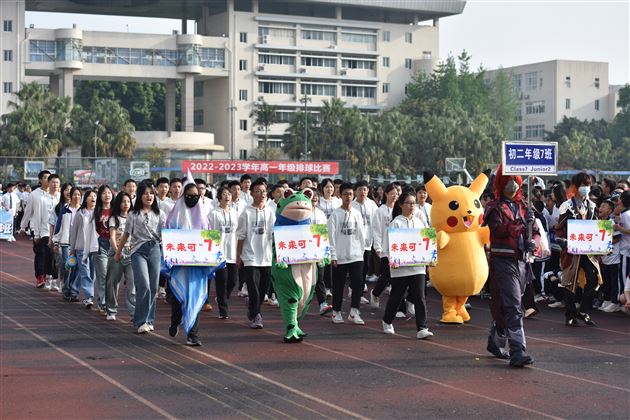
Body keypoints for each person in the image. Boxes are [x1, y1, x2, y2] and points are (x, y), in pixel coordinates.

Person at [484, 165, 538, 367]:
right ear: (500, 182)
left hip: (522, 261)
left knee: (508, 305)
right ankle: (518, 350)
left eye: (515, 179)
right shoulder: (494, 207)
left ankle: (496, 339)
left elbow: (533, 232)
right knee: (514, 305)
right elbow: (497, 230)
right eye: (507, 180)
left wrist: (533, 238)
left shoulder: (524, 205)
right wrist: (521, 226)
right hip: (502, 261)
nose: (512, 184)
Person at [165, 180, 218, 346]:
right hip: (179, 267)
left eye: (196, 196)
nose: (192, 198)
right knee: (178, 299)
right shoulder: (174, 216)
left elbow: (211, 238)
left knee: (194, 299)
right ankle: (175, 322)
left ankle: (193, 335)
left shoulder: (203, 217)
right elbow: (168, 238)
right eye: (189, 195)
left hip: (197, 267)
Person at [115, 182, 166, 334]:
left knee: (153, 286)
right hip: (137, 251)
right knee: (143, 285)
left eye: (151, 193)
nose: (149, 196)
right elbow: (126, 234)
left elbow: (167, 234)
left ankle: (149, 320)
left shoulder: (160, 214)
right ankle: (141, 321)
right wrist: (118, 252)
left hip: (155, 249)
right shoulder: (133, 214)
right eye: (145, 193)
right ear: (140, 196)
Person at [382, 191, 433, 339]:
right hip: (400, 269)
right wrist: (393, 260)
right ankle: (387, 321)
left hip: (418, 267)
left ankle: (422, 327)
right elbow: (389, 245)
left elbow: (426, 242)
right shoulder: (396, 223)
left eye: (413, 203)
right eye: (409, 203)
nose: (412, 206)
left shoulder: (419, 222)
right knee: (397, 296)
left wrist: (429, 258)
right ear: (401, 205)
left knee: (419, 296)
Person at [556, 172, 602, 327]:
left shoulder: (593, 206)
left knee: (594, 278)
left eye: (588, 185)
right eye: (583, 185)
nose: (586, 188)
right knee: (570, 282)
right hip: (571, 250)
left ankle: (584, 311)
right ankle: (570, 314)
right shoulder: (567, 206)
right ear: (575, 187)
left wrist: (602, 243)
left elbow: (597, 227)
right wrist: (563, 241)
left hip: (588, 250)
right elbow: (559, 229)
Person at [236, 180, 276, 329]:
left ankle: (252, 306)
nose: (262, 194)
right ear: (252, 194)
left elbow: (274, 234)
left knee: (263, 289)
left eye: (264, 191)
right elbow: (240, 236)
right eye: (258, 191)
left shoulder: (270, 212)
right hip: (250, 256)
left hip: (266, 256)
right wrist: (238, 256)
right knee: (253, 287)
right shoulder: (246, 213)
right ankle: (256, 316)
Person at [328, 183, 366, 325]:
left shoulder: (357, 214)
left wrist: (361, 252)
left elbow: (361, 235)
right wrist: (333, 255)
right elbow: (331, 236)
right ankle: (336, 311)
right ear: (340, 195)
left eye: (350, 194)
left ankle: (354, 311)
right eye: (345, 194)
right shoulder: (335, 215)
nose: (348, 197)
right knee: (338, 286)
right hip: (340, 257)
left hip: (356, 256)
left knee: (358, 284)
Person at [19, 170, 56, 288]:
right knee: (40, 253)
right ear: (40, 180)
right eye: (45, 178)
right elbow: (28, 212)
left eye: (49, 178)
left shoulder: (55, 195)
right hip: (38, 229)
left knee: (50, 255)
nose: (48, 180)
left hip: (52, 230)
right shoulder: (34, 194)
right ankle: (40, 276)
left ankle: (50, 276)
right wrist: (23, 226)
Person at [105, 192, 136, 322]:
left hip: (131, 252)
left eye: (128, 201)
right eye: (123, 201)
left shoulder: (134, 217)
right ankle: (111, 310)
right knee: (113, 282)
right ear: (118, 203)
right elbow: (112, 237)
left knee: (132, 284)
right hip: (116, 252)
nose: (126, 204)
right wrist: (117, 251)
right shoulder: (114, 219)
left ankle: (134, 313)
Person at [209, 186, 238, 319]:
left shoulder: (235, 213)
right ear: (219, 196)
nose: (227, 196)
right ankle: (223, 310)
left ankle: (222, 298)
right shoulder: (214, 213)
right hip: (219, 253)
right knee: (222, 281)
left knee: (233, 281)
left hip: (232, 251)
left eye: (229, 194)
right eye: (224, 194)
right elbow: (210, 233)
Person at [370, 183, 400, 308]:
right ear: (386, 194)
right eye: (392, 193)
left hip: (398, 249)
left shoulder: (399, 210)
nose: (395, 196)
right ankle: (375, 293)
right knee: (386, 276)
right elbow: (376, 230)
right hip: (385, 248)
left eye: (397, 194)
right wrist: (377, 247)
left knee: (397, 278)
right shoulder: (380, 211)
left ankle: (398, 306)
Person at [69, 189, 97, 308]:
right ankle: (89, 297)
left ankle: (74, 289)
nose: (93, 198)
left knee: (92, 274)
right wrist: (73, 248)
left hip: (95, 248)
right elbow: (74, 232)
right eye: (91, 196)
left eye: (95, 196)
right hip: (81, 248)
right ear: (86, 199)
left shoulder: (99, 213)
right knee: (85, 273)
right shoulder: (80, 214)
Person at [55, 186, 81, 301]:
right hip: (66, 242)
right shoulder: (64, 209)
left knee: (78, 268)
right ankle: (66, 290)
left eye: (79, 195)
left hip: (79, 243)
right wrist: (55, 241)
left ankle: (74, 291)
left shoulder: (83, 210)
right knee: (68, 266)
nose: (77, 197)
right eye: (75, 194)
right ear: (70, 196)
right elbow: (58, 226)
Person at [92, 185, 114, 312]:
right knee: (103, 274)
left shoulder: (116, 210)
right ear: (100, 196)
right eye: (104, 193)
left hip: (113, 244)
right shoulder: (96, 211)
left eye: (109, 193)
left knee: (111, 276)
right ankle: (104, 303)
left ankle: (104, 300)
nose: (107, 195)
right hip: (100, 244)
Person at [353, 180, 379, 287]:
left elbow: (377, 221)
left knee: (366, 266)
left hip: (368, 242)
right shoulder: (351, 205)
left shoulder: (372, 204)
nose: (362, 192)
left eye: (364, 189)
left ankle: (359, 285)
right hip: (354, 242)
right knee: (356, 267)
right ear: (355, 191)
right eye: (359, 189)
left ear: (368, 191)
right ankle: (355, 287)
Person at [598, 200, 622, 312]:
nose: (600, 208)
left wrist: (605, 242)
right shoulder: (598, 222)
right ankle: (606, 299)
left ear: (610, 210)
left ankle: (614, 301)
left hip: (613, 257)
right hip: (603, 257)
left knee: (613, 280)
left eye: (604, 206)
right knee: (605, 279)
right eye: (600, 206)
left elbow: (617, 237)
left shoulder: (611, 223)